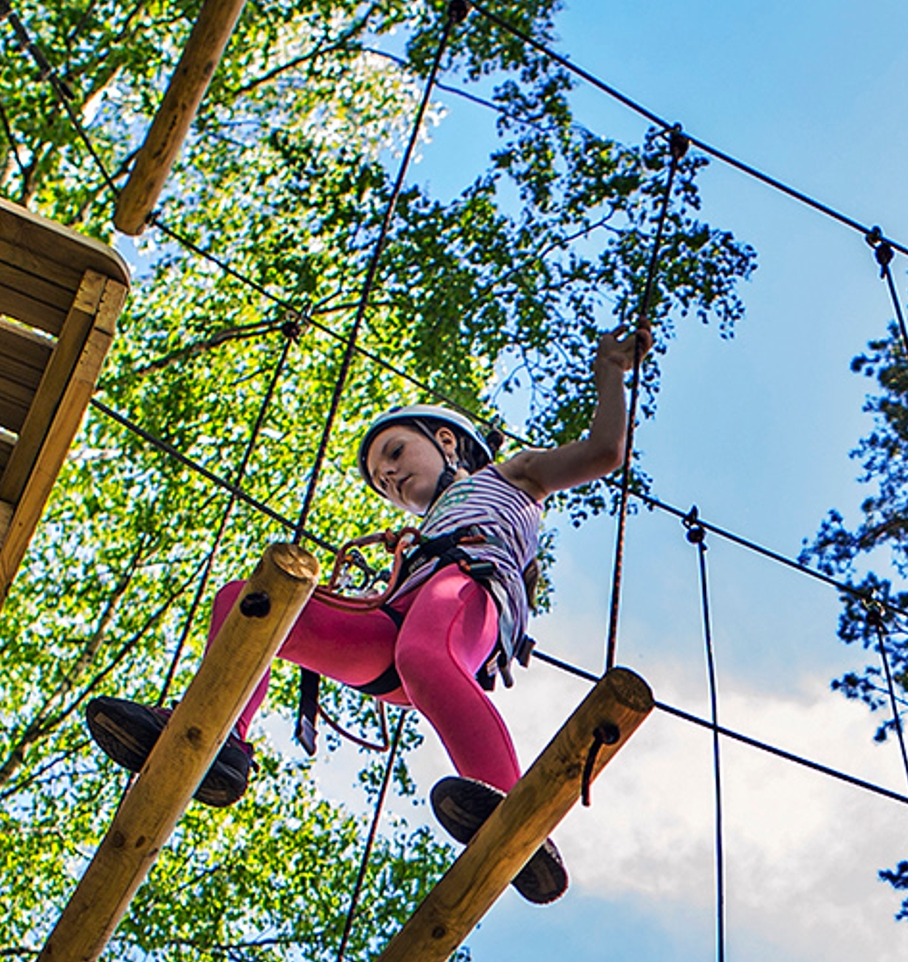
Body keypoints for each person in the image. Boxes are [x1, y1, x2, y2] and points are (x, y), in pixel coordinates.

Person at [84, 327, 645, 906]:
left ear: (448, 441)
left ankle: (514, 812)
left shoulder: (513, 476)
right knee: (249, 604)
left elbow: (606, 452)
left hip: (467, 596)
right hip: (399, 618)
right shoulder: (420, 534)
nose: (391, 478)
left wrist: (608, 368)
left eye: (396, 454)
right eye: (382, 481)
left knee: (424, 653)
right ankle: (223, 740)